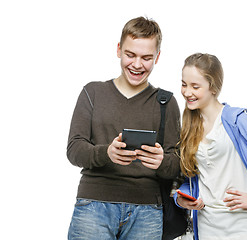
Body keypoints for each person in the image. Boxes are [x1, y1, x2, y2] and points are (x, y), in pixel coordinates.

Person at [67, 16, 181, 240]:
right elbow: (74, 149)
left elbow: (178, 162)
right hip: (93, 206)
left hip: (147, 211)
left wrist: (162, 162)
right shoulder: (93, 93)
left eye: (146, 58)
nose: (137, 65)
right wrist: (106, 153)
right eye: (131, 55)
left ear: (157, 57)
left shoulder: (166, 102)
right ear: (119, 50)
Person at [174, 53, 247, 240]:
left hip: (244, 231)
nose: (187, 92)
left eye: (195, 86)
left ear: (213, 87)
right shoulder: (189, 126)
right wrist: (182, 198)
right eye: (184, 84)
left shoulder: (237, 120)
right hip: (207, 231)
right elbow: (194, 179)